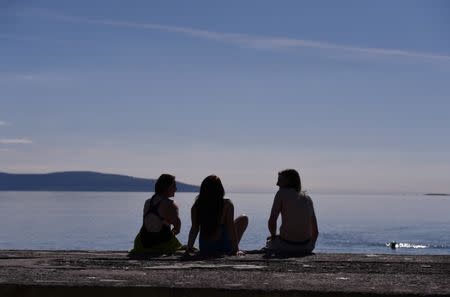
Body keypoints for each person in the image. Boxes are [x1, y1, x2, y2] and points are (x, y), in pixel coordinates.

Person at [185, 175, 248, 256]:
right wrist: (236, 250)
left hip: (205, 248)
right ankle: (232, 248)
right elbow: (231, 227)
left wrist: (188, 248)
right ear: (220, 188)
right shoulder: (227, 204)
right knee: (244, 218)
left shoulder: (197, 205)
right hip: (224, 247)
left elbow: (194, 229)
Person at [266, 169, 319, 254]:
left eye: (280, 180)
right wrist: (311, 245)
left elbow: (272, 221)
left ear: (288, 182)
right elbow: (315, 231)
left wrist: (273, 237)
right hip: (306, 247)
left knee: (269, 241)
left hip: (286, 246)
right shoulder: (308, 198)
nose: (277, 184)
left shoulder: (281, 193)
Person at [130, 174, 182, 254]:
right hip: (161, 245)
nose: (176, 189)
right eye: (174, 186)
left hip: (141, 244)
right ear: (167, 187)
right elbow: (177, 228)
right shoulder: (170, 204)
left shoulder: (148, 202)